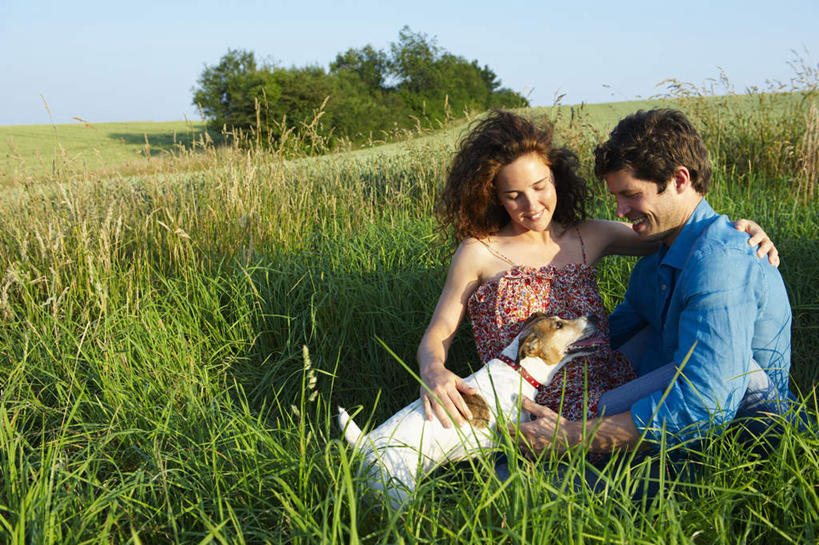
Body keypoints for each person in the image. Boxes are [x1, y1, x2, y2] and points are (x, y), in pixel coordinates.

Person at [417, 110, 778, 432]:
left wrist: (739, 231)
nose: (532, 204)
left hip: (602, 394)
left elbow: (678, 226)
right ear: (494, 196)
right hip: (521, 403)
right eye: (514, 195)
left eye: (540, 187)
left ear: (556, 179)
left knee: (715, 368)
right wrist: (433, 370)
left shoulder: (590, 235)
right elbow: (439, 331)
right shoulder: (479, 251)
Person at [512, 108, 793, 461]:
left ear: (679, 179)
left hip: (743, 435)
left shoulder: (722, 262)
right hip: (663, 406)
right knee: (529, 444)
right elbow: (607, 337)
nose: (620, 211)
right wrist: (514, 370)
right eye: (616, 197)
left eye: (631, 194)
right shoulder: (656, 259)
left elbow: (707, 403)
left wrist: (572, 436)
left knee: (537, 473)